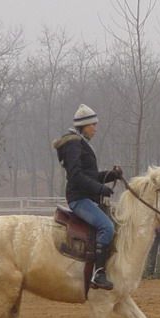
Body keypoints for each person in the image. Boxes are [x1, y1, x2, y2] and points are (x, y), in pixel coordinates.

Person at [53, 104, 122, 290]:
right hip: (79, 199)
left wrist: (110, 176)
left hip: (86, 197)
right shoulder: (74, 144)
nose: (95, 129)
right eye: (93, 125)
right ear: (84, 126)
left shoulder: (80, 143)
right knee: (106, 227)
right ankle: (98, 273)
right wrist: (100, 189)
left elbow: (89, 176)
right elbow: (76, 176)